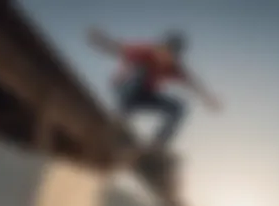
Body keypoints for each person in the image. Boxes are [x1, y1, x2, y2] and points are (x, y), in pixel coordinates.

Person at [87, 28, 222, 153]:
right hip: (125, 90)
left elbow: (193, 83)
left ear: (175, 56)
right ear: (161, 48)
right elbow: (118, 48)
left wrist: (208, 98)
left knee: (179, 108)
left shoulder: (175, 67)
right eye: (163, 52)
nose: (164, 58)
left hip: (146, 97)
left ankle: (157, 145)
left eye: (169, 56)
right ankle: (120, 119)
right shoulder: (146, 51)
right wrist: (100, 40)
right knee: (141, 72)